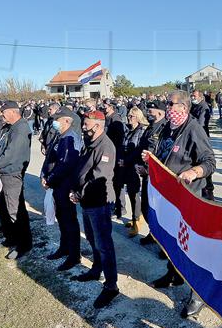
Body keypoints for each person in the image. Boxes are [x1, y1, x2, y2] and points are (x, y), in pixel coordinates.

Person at [144, 90, 216, 319]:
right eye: (167, 104)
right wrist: (150, 161)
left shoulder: (194, 129)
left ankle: (198, 293)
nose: (167, 108)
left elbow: (209, 161)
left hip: (191, 197)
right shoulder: (167, 128)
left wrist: (195, 171)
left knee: (192, 248)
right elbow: (164, 157)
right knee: (172, 241)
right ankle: (173, 275)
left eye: (171, 104)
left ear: (183, 108)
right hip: (170, 198)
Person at [70, 111, 120, 309]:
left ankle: (111, 286)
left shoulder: (105, 146)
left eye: (86, 123)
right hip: (87, 201)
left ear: (97, 126)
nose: (83, 126)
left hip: (99, 201)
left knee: (104, 245)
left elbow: (99, 178)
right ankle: (96, 268)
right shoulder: (90, 142)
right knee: (92, 239)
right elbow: (81, 170)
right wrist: (75, 190)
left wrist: (79, 193)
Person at [41, 108, 83, 271]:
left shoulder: (71, 138)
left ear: (66, 121)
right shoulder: (61, 136)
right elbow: (50, 159)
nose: (54, 123)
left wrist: (50, 180)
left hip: (64, 185)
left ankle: (74, 255)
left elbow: (65, 165)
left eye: (57, 120)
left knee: (69, 220)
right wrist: (44, 175)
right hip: (56, 185)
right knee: (62, 219)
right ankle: (64, 247)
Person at [0, 102, 33, 260]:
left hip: (12, 173)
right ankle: (11, 238)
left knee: (15, 210)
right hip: (3, 173)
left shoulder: (21, 128)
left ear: (13, 112)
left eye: (3, 112)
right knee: (3, 207)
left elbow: (12, 153)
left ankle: (24, 244)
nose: (1, 115)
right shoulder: (9, 127)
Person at [135, 101, 167, 244]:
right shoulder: (151, 127)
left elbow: (160, 154)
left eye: (151, 111)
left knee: (159, 210)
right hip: (146, 173)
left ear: (160, 112)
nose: (148, 113)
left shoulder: (164, 128)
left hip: (156, 175)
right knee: (147, 206)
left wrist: (147, 169)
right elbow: (142, 147)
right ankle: (153, 233)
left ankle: (163, 242)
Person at [117, 107, 147, 236]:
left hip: (134, 166)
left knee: (134, 194)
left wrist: (127, 161)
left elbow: (138, 150)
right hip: (125, 165)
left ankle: (137, 220)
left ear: (138, 117)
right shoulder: (128, 130)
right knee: (129, 192)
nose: (129, 118)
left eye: (131, 116)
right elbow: (122, 145)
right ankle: (134, 217)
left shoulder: (141, 131)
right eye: (128, 116)